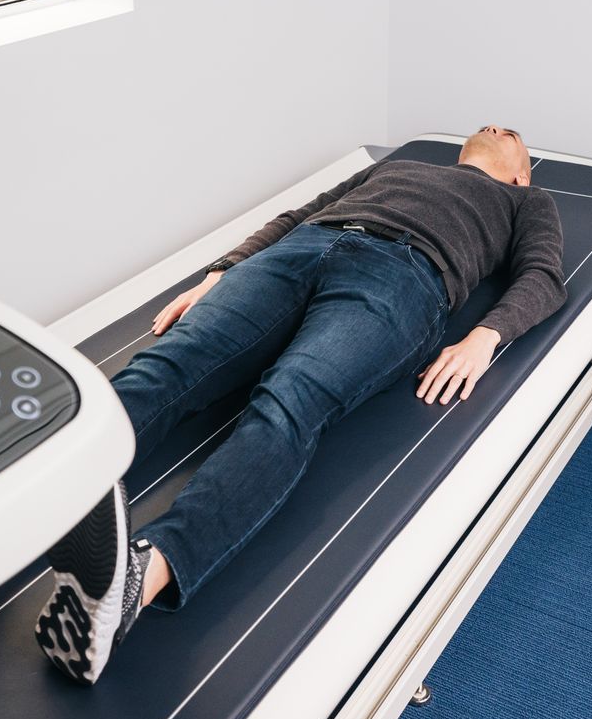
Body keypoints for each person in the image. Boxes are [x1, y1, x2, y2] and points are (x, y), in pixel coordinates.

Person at [35, 126, 565, 683]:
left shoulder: (526, 200)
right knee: (168, 364)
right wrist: (223, 270)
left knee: (289, 400)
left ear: (520, 173)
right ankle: (38, 496)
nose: (495, 127)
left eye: (511, 133)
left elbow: (544, 275)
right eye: (489, 125)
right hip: (300, 249)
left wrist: (485, 337)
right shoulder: (403, 167)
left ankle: (139, 578)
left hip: (404, 275)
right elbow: (301, 214)